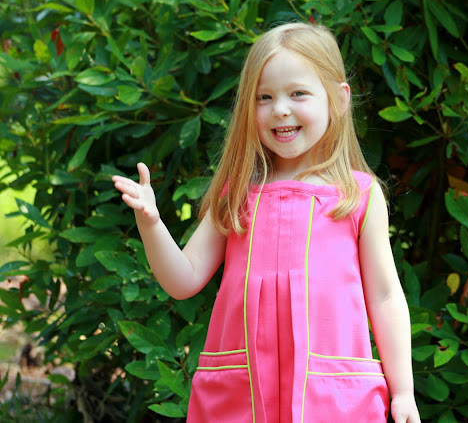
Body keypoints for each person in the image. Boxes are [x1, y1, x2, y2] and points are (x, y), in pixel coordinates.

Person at [112, 22, 420, 423]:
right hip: (242, 397)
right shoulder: (237, 194)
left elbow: (385, 297)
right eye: (264, 97)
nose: (280, 109)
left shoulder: (357, 195)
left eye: (298, 93)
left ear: (339, 99)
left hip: (331, 399)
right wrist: (151, 222)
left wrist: (403, 391)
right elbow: (183, 280)